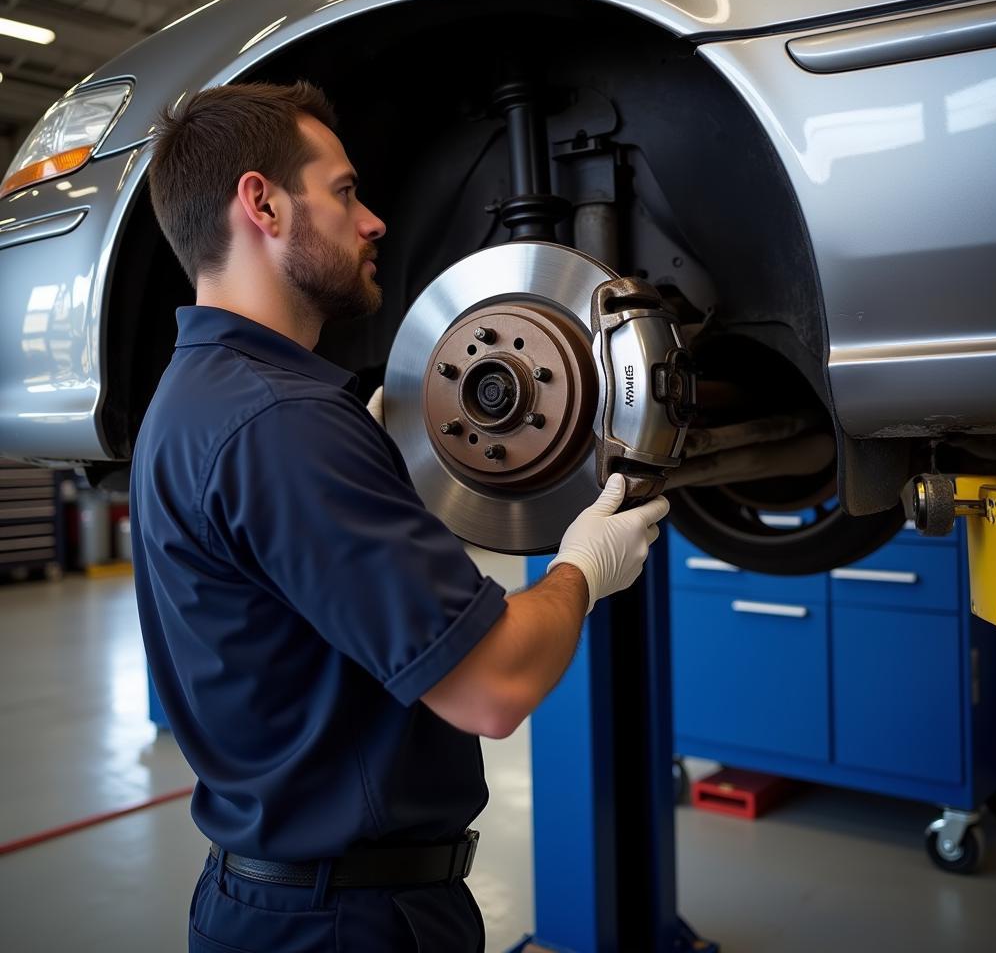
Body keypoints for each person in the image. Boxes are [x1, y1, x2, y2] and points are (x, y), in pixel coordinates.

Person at [131, 80, 669, 953]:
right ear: (260, 203)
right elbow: (493, 687)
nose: (374, 219)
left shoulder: (196, 397)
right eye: (344, 192)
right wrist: (583, 567)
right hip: (347, 925)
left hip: (281, 904)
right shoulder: (282, 423)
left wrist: (364, 467)